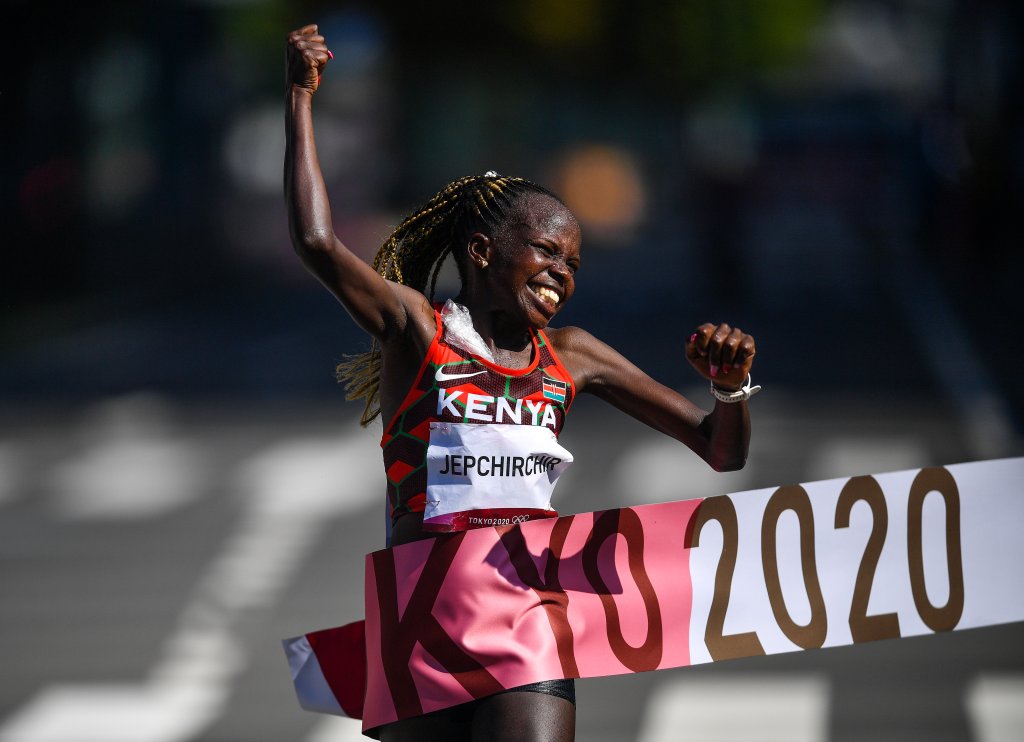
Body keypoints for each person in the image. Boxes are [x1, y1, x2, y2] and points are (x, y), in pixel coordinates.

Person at [285, 24, 758, 742]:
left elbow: (721, 452)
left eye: (573, 264)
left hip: (528, 608)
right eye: (545, 252)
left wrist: (730, 390)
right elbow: (317, 244)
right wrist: (299, 96)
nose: (562, 274)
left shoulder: (573, 355)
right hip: (424, 615)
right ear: (482, 252)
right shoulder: (417, 329)